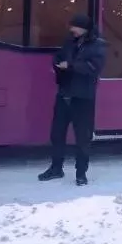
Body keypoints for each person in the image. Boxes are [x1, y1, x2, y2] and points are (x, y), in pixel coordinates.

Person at [38, 14, 107, 186]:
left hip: (83, 98)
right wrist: (57, 64)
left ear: (84, 28)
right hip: (64, 94)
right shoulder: (69, 41)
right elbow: (59, 56)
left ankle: (81, 173)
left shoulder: (97, 45)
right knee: (57, 134)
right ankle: (56, 168)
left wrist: (71, 66)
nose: (71, 30)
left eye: (75, 27)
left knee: (82, 138)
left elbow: (94, 68)